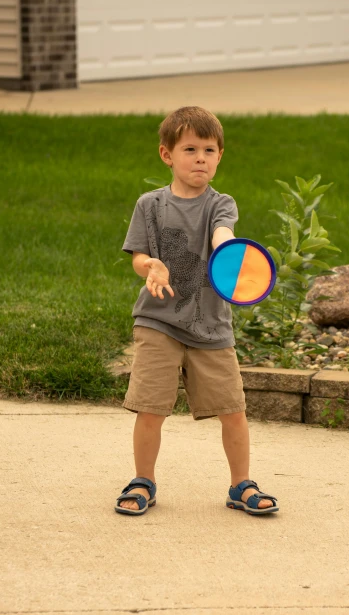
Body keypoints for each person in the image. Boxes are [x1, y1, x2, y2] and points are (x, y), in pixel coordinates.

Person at [115, 106, 279, 517]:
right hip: (158, 323)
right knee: (150, 408)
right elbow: (138, 255)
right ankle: (143, 481)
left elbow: (224, 233)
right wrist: (150, 266)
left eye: (209, 149)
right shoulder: (150, 206)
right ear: (167, 155)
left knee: (233, 410)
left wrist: (228, 249)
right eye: (190, 149)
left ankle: (241, 485)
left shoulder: (220, 205)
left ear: (220, 155)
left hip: (211, 326)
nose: (201, 157)